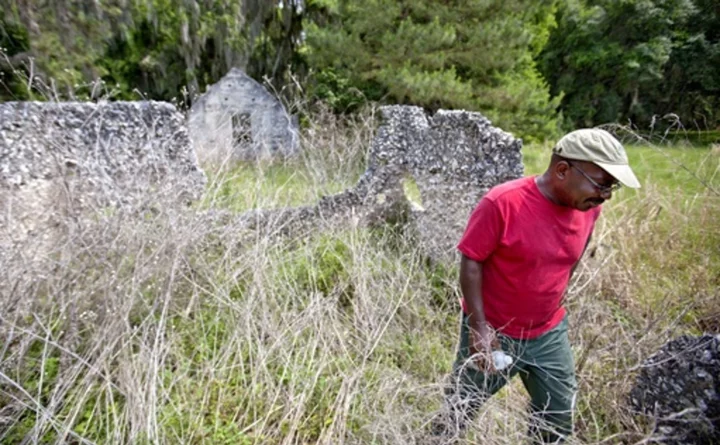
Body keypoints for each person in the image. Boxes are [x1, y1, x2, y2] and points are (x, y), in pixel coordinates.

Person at [434, 128, 641, 443]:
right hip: (493, 331)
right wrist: (479, 327)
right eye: (602, 184)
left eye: (612, 187)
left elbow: (572, 257)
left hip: (548, 334)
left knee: (556, 421)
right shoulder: (503, 202)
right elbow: (471, 260)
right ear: (562, 170)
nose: (606, 195)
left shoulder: (589, 208)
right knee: (459, 410)